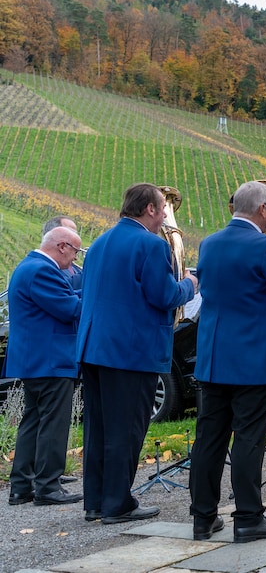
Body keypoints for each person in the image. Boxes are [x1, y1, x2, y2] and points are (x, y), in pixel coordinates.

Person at [188, 182, 266, 543]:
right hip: (253, 358)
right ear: (264, 210)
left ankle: (203, 519)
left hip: (213, 358)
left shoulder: (209, 243)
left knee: (209, 438)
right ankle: (249, 518)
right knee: (248, 439)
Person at [77, 183, 197, 524]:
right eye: (162, 210)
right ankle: (117, 503)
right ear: (148, 210)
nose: (164, 218)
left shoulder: (100, 242)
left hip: (94, 348)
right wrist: (189, 284)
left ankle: (96, 502)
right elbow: (163, 296)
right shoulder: (150, 244)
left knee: (99, 428)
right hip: (130, 351)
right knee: (126, 429)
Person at [6, 227, 84, 507]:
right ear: (62, 246)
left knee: (33, 421)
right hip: (51, 359)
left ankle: (21, 486)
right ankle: (48, 487)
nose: (75, 259)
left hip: (37, 359)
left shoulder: (30, 266)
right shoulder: (43, 270)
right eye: (75, 251)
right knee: (53, 423)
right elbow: (71, 309)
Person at [42, 216, 83, 290]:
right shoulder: (44, 269)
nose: (75, 237)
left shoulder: (74, 267)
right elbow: (63, 287)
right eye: (70, 232)